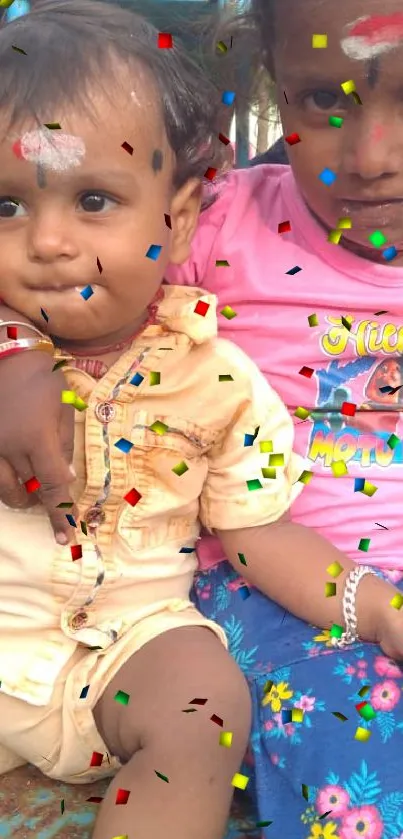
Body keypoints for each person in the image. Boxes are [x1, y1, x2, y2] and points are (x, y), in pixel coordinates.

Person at [1, 0, 403, 837]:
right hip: (265, 583)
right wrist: (14, 351)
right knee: (368, 747)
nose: (372, 157)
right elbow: (63, 239)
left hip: (224, 608)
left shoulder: (220, 381)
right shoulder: (217, 228)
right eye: (322, 100)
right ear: (274, 88)